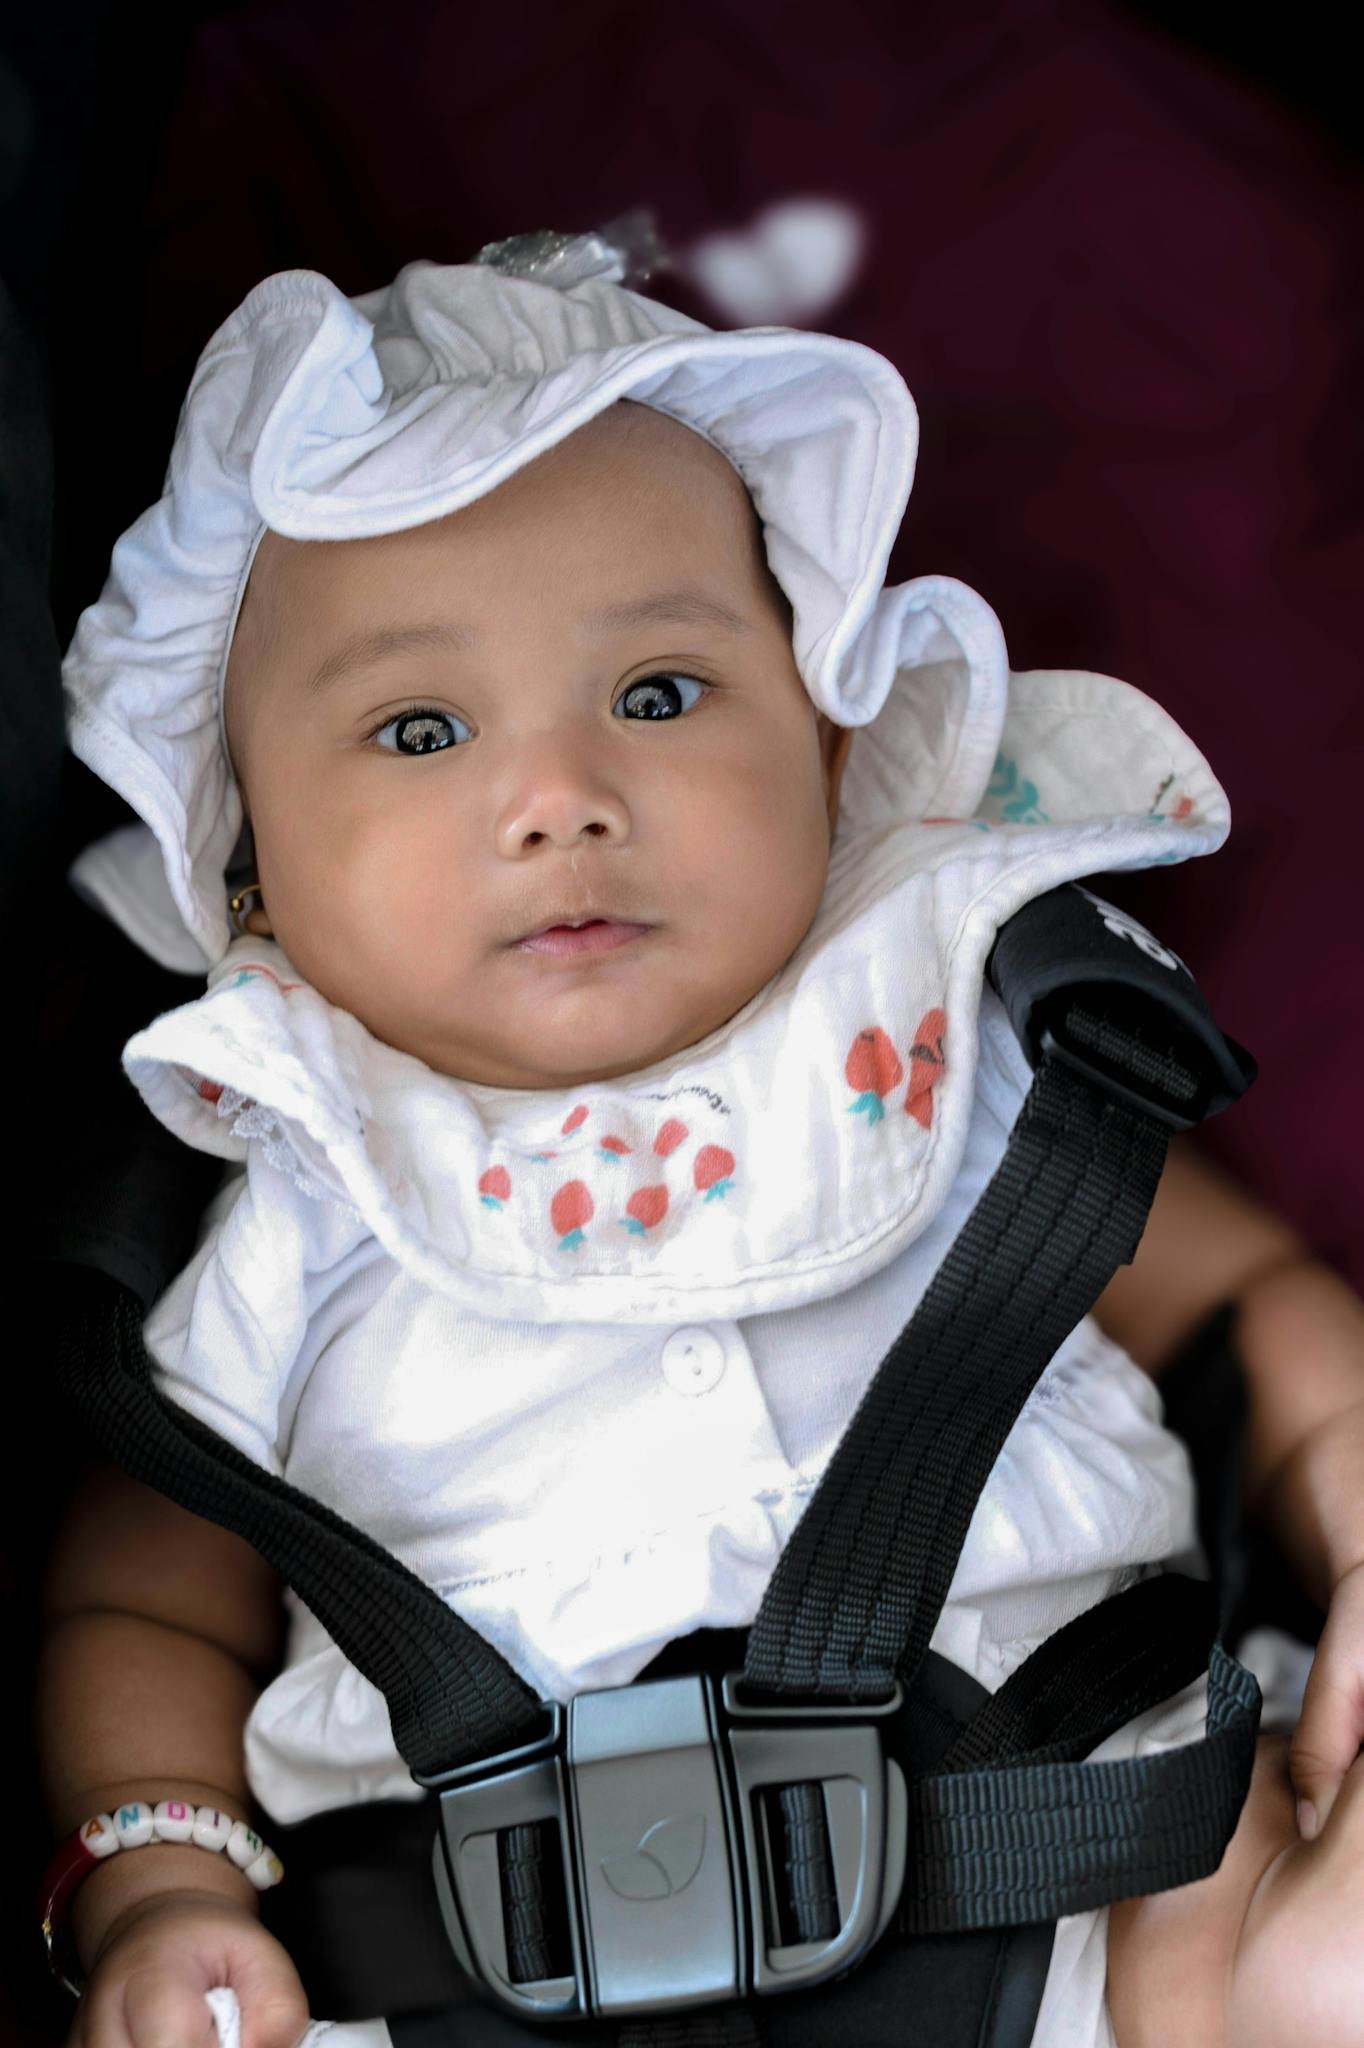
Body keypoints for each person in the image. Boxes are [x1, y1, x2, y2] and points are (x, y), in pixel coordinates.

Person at [37, 241, 1364, 2048]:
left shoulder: (954, 1047)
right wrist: (161, 1881)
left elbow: (1250, 1304)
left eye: (659, 694)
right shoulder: (291, 1201)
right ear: (249, 858)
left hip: (1092, 1865)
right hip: (483, 1955)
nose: (562, 797)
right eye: (419, 729)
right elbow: (149, 1603)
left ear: (828, 750)